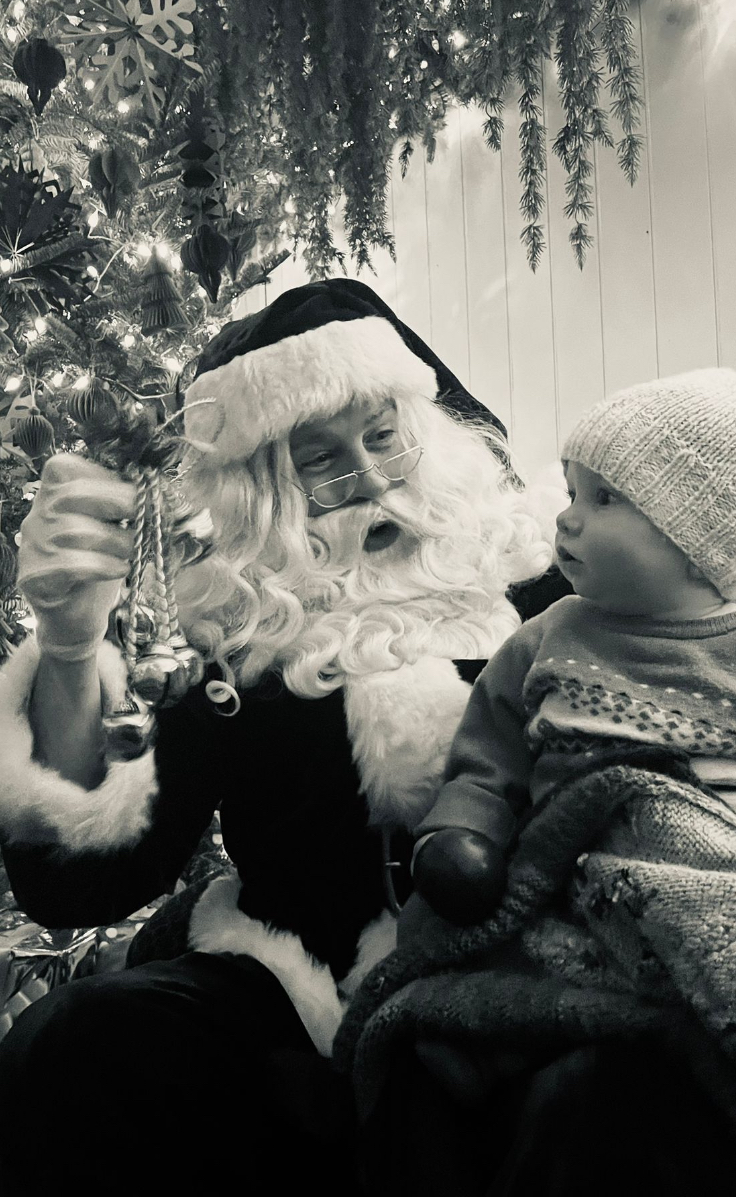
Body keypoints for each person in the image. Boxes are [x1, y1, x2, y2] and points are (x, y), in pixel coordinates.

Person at [0, 279, 561, 1195]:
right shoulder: (229, 635)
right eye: (321, 459)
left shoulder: (540, 578)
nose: (372, 478)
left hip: (529, 973)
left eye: (383, 435)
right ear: (264, 492)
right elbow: (83, 878)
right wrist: (68, 646)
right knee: (78, 1042)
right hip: (299, 990)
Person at [406, 366, 736, 927]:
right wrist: (459, 834)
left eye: (603, 498)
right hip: (572, 889)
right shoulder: (551, 636)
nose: (566, 517)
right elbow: (489, 759)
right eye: (572, 492)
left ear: (698, 541)